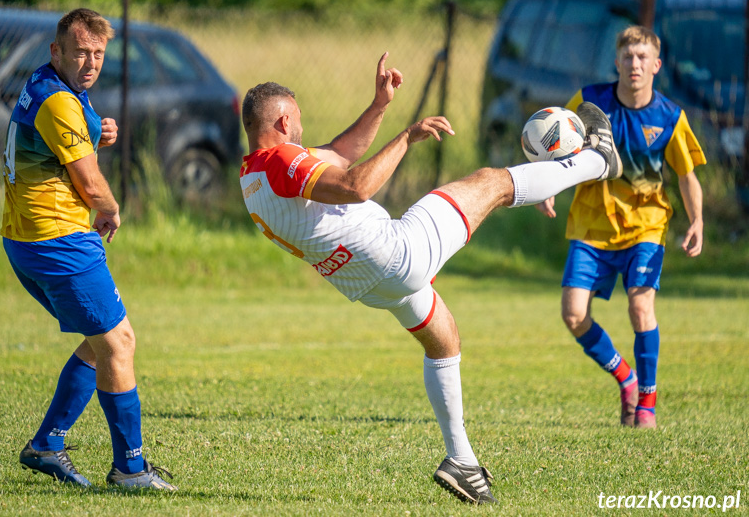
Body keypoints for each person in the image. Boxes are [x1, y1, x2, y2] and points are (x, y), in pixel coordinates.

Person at [239, 52, 624, 504]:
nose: (302, 130)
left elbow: (341, 154)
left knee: (444, 341)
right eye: (298, 121)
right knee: (491, 183)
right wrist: (406, 136)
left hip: (366, 282)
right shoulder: (282, 161)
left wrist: (380, 105)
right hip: (398, 252)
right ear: (284, 122)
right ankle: (600, 159)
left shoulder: (253, 176)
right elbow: (355, 186)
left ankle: (461, 462)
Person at [0, 8, 174, 490]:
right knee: (119, 343)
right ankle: (130, 470)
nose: (91, 62)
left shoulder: (49, 85)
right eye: (80, 52)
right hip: (58, 240)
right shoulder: (60, 102)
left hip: (26, 239)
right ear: (57, 51)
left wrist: (98, 131)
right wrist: (110, 208)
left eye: (98, 53)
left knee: (102, 343)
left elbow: (65, 136)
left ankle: (47, 445)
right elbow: (88, 180)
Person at [535, 26, 706, 430]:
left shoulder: (669, 116)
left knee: (640, 305)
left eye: (643, 57)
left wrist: (697, 219)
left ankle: (647, 400)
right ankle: (625, 378)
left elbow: (686, 176)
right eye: (628, 57)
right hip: (591, 226)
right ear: (617, 62)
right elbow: (555, 142)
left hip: (646, 227)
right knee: (574, 315)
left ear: (657, 65)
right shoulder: (590, 102)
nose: (635, 64)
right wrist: (547, 184)